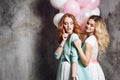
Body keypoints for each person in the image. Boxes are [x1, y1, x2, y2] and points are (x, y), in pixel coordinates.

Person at [54, 13, 90, 80]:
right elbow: (56, 56)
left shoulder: (74, 37)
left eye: (71, 23)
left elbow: (74, 58)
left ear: (74, 25)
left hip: (69, 69)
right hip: (62, 67)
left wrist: (73, 77)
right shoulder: (64, 37)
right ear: (63, 25)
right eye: (66, 23)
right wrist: (63, 41)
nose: (69, 26)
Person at [74, 15, 110, 80]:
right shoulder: (92, 38)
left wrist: (79, 48)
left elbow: (86, 62)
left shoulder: (89, 41)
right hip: (95, 68)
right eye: (88, 23)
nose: (88, 26)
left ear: (96, 28)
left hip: (89, 70)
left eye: (91, 25)